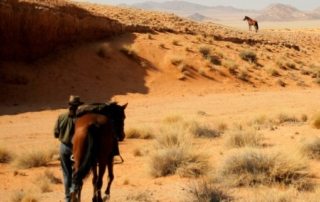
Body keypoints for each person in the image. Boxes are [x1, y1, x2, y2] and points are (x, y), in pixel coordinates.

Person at [54, 95, 84, 202]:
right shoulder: (80, 119)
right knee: (78, 173)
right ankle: (74, 190)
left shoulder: (61, 117)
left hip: (63, 148)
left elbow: (56, 134)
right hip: (76, 149)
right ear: (77, 107)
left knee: (66, 174)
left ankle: (67, 198)